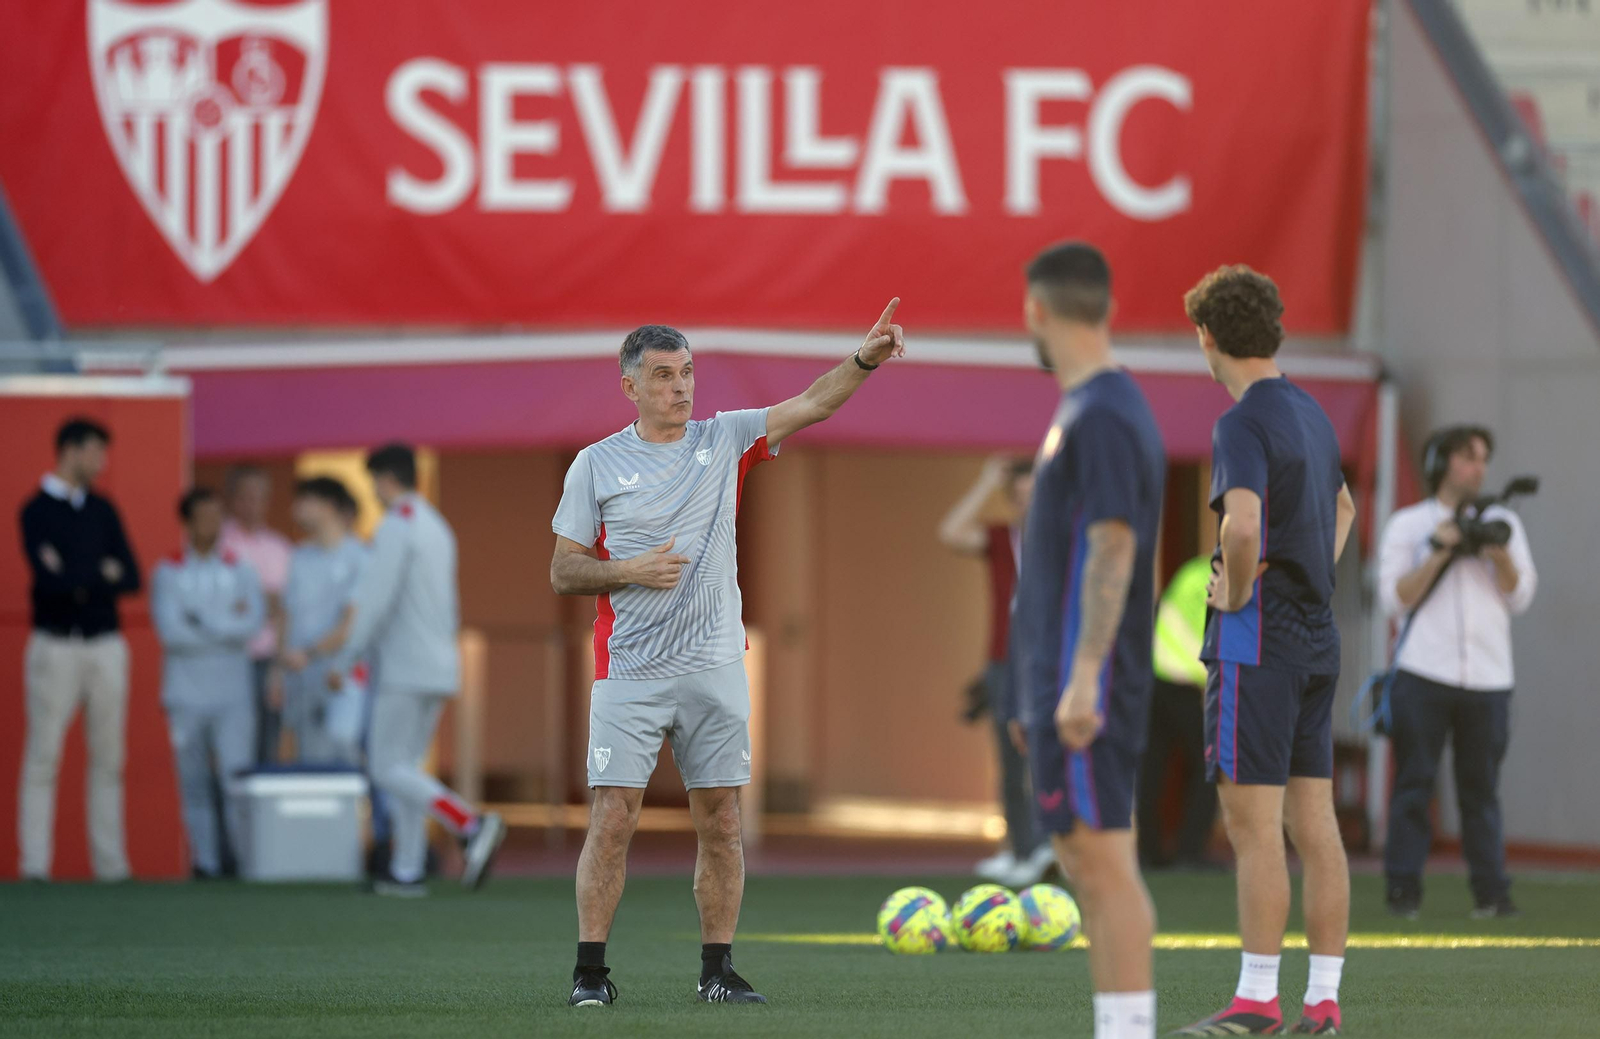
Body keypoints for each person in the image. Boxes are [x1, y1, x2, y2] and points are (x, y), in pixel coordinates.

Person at [552, 301, 906, 1008]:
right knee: (614, 816)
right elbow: (564, 571)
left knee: (721, 819)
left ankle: (717, 970)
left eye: (687, 372)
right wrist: (628, 569)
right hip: (629, 671)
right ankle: (590, 974)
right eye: (662, 375)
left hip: (713, 665)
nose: (680, 387)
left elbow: (813, 403)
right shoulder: (596, 464)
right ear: (629, 386)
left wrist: (864, 359)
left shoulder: (726, 438)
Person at [1176, 266, 1358, 1038]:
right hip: (1316, 636)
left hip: (1257, 642)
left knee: (1253, 827)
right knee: (1315, 822)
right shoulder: (1312, 412)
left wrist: (1241, 592)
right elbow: (1343, 505)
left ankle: (1257, 1001)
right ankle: (1324, 1000)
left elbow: (1242, 524)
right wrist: (1311, 574)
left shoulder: (1242, 421)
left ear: (1207, 336)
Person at [1011, 241, 1165, 1039]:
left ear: (1037, 310)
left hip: (1088, 685)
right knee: (1084, 864)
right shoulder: (1090, 408)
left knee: (1105, 870)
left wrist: (1081, 679)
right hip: (1059, 682)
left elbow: (1113, 545)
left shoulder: (1102, 412)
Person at [329, 444, 506, 896]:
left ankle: (469, 824)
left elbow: (374, 602)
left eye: (374, 483)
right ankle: (406, 870)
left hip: (404, 666)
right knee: (406, 769)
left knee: (386, 766)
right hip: (438, 664)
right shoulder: (435, 525)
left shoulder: (396, 525)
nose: (374, 493)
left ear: (386, 480)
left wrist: (345, 659)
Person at [1378, 425, 1535, 920]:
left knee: (1481, 790)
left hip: (1489, 677)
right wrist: (1440, 550)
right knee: (1414, 784)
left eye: (1484, 458)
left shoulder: (1503, 522)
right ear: (1440, 463)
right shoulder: (1409, 524)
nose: (1478, 468)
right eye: (1468, 457)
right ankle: (1403, 890)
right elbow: (1393, 598)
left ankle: (1492, 893)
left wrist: (1498, 554)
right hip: (1422, 671)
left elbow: (1521, 595)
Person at [17, 417, 141, 882]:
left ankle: (111, 865)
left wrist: (75, 572)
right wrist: (97, 573)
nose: (102, 462)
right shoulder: (36, 510)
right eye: (95, 452)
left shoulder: (103, 509)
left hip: (105, 644)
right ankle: (34, 865)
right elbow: (49, 581)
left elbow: (131, 575)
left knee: (109, 758)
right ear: (71, 450)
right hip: (56, 645)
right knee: (43, 756)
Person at [938, 456, 1054, 889]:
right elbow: (951, 532)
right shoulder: (1004, 539)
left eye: (1036, 495)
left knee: (1046, 755)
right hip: (1005, 660)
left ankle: (1046, 846)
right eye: (1020, 497)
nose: (1029, 505)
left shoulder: (1061, 539)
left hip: (1049, 662)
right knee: (1009, 758)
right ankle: (1022, 850)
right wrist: (987, 482)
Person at [151, 488, 263, 879]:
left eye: (217, 516)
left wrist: (201, 620)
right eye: (204, 517)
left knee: (236, 777)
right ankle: (207, 862)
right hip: (185, 693)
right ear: (187, 522)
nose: (212, 525)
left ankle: (244, 862)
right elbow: (172, 633)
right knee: (194, 780)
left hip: (233, 693)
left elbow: (251, 625)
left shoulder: (240, 569)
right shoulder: (168, 571)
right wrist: (225, 628)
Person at [1137, 555, 1220, 871]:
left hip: (1155, 677)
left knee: (1153, 765)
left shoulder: (1191, 571)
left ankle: (1149, 853)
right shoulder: (1222, 576)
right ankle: (1189, 851)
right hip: (1184, 681)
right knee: (1209, 763)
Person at [279, 477, 368, 766]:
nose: (295, 509)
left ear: (328, 506)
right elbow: (287, 616)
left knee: (343, 753)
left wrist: (309, 653)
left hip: (343, 675)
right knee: (309, 759)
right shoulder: (300, 556)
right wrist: (278, 670)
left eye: (304, 501)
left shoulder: (360, 557)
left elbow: (351, 623)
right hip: (302, 678)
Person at [219, 464, 293, 765]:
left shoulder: (280, 547)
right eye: (245, 496)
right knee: (229, 749)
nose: (252, 504)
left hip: (268, 660)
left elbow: (287, 608)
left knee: (267, 745)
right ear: (232, 499)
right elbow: (218, 603)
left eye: (259, 497)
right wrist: (266, 600)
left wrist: (249, 600)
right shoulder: (217, 544)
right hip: (227, 659)